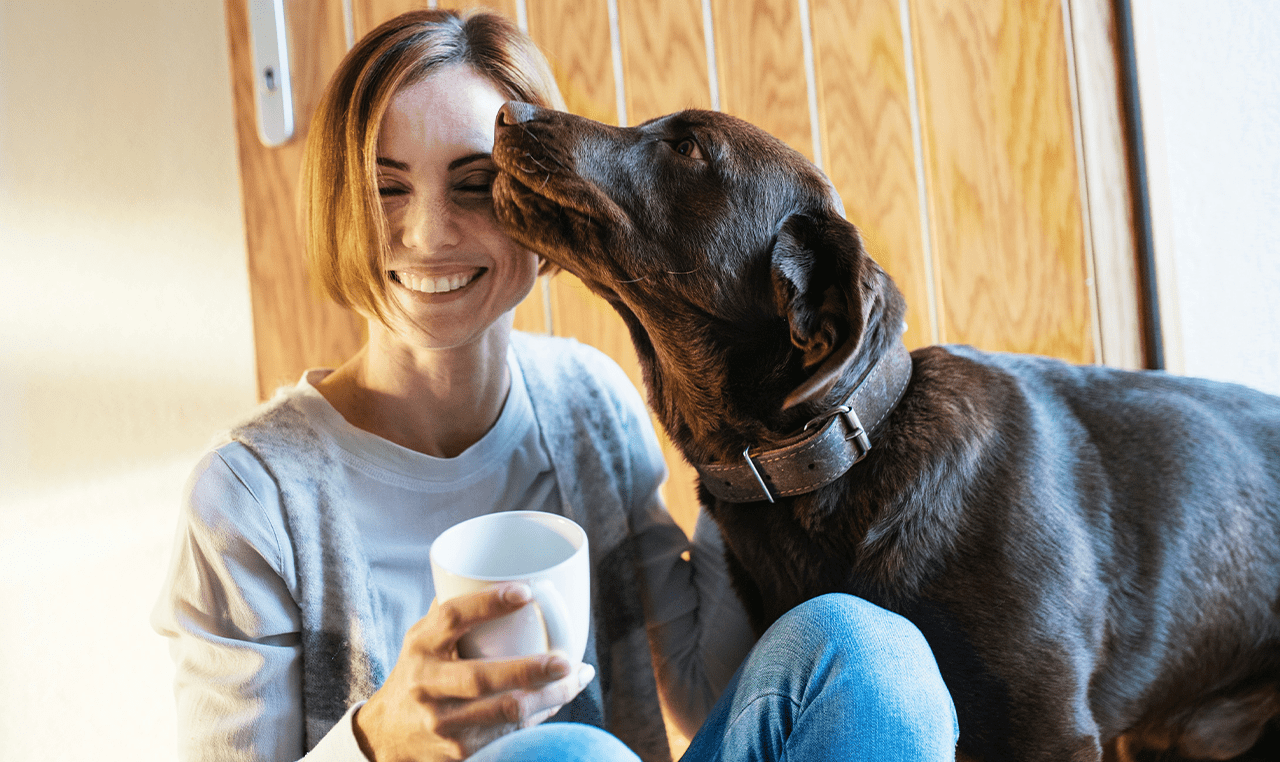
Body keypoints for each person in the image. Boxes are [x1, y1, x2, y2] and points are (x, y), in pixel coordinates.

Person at [153, 9, 958, 762]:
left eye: (473, 184)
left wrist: (752, 432)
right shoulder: (251, 497)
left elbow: (701, 689)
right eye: (386, 186)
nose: (430, 234)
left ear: (543, 199)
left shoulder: (588, 403)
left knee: (863, 650)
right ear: (337, 204)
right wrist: (377, 738)